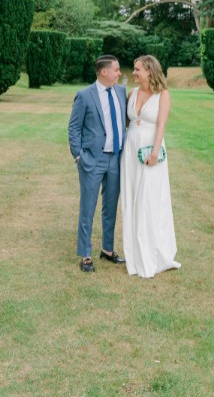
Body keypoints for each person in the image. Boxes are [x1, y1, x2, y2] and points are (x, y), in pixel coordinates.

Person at [121, 54, 180, 279]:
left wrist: (155, 152)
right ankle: (134, 254)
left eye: (137, 69)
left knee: (149, 199)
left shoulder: (162, 95)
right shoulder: (132, 93)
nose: (134, 73)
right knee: (131, 197)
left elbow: (161, 125)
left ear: (149, 71)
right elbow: (126, 123)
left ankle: (154, 252)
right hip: (130, 150)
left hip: (150, 150)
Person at [68, 54, 128, 274]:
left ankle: (107, 249)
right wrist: (78, 155)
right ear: (104, 72)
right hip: (92, 159)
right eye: (117, 69)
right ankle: (85, 254)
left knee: (111, 207)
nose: (120, 73)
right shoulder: (84, 96)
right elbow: (74, 128)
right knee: (88, 207)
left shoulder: (121, 92)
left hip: (116, 159)